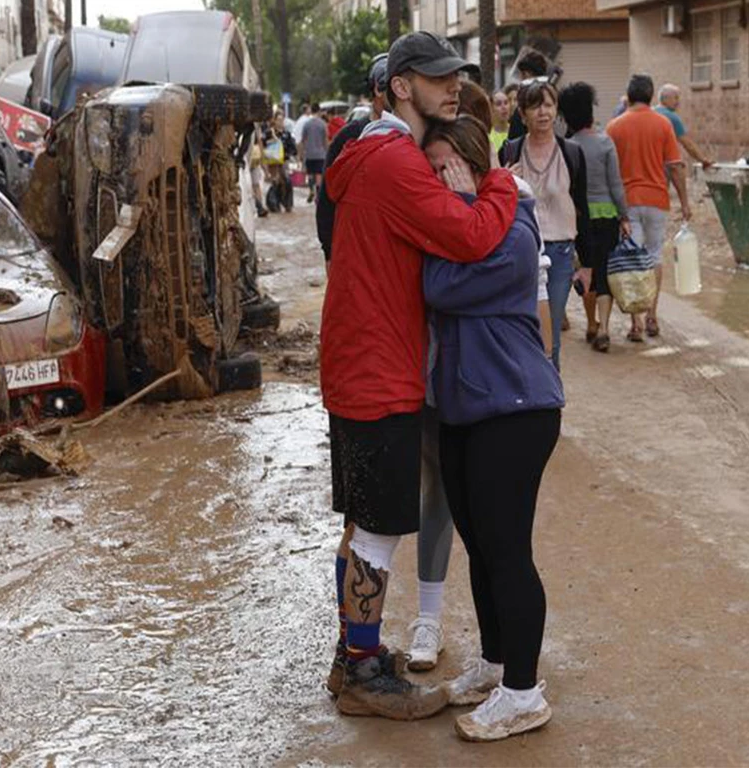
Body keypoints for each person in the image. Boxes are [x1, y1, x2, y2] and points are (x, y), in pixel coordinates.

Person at [321, 31, 519, 720]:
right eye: (438, 79)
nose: (453, 87)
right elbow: (469, 238)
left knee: (360, 523)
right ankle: (367, 676)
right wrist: (498, 183)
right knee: (376, 530)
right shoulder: (396, 161)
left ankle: (356, 658)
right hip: (380, 367)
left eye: (456, 76)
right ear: (402, 86)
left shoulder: (365, 152)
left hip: (356, 361)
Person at [420, 115, 565, 741]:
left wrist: (457, 208)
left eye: (446, 165)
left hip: (517, 409)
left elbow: (439, 285)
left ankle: (524, 692)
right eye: (430, 169)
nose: (436, 178)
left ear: (475, 166)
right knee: (481, 546)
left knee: (507, 552)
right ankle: (497, 665)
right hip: (466, 408)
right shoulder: (460, 226)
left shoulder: (513, 228)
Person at [499, 80, 593, 369]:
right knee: (521, 324)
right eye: (535, 106)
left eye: (549, 105)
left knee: (550, 326)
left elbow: (582, 208)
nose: (543, 112)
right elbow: (495, 203)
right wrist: (503, 179)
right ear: (523, 114)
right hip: (521, 251)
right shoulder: (510, 151)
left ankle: (550, 394)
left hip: (561, 253)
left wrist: (587, 264)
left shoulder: (572, 153)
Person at [607, 74, 691, 341]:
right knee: (654, 256)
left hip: (627, 202)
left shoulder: (614, 127)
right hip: (657, 200)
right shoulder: (664, 125)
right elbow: (675, 167)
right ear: (652, 96)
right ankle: (653, 315)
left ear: (629, 96)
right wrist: (685, 202)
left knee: (634, 259)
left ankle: (636, 323)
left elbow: (608, 171)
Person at [559, 82, 631, 353]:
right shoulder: (604, 142)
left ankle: (590, 323)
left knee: (585, 268)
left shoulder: (566, 147)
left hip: (579, 219)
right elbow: (616, 185)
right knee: (603, 271)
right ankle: (604, 329)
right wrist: (624, 216)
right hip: (606, 217)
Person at [316, 53, 388, 262]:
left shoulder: (415, 133)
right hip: (357, 251)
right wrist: (329, 252)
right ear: (378, 89)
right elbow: (328, 198)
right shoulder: (348, 137)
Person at [655, 84, 714, 170]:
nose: (678, 102)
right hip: (662, 164)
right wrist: (703, 160)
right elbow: (687, 144)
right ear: (665, 98)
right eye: (675, 98)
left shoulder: (651, 112)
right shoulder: (672, 117)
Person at [506, 48, 550, 141]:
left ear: (526, 75)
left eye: (522, 76)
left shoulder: (523, 109)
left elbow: (513, 143)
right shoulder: (554, 103)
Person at [261, 110, 296, 213]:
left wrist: (287, 154)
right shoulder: (269, 133)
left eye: (282, 120)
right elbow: (263, 145)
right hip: (272, 162)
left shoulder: (287, 134)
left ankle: (287, 204)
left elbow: (293, 149)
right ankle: (273, 204)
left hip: (283, 161)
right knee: (275, 182)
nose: (280, 122)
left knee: (286, 181)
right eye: (278, 120)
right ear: (274, 120)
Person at [300, 107, 330, 204]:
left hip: (309, 154)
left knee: (310, 174)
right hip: (321, 154)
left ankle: (311, 190)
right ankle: (318, 195)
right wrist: (328, 151)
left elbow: (303, 140)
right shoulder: (323, 124)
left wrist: (302, 153)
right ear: (319, 111)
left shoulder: (306, 124)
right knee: (318, 175)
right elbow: (325, 140)